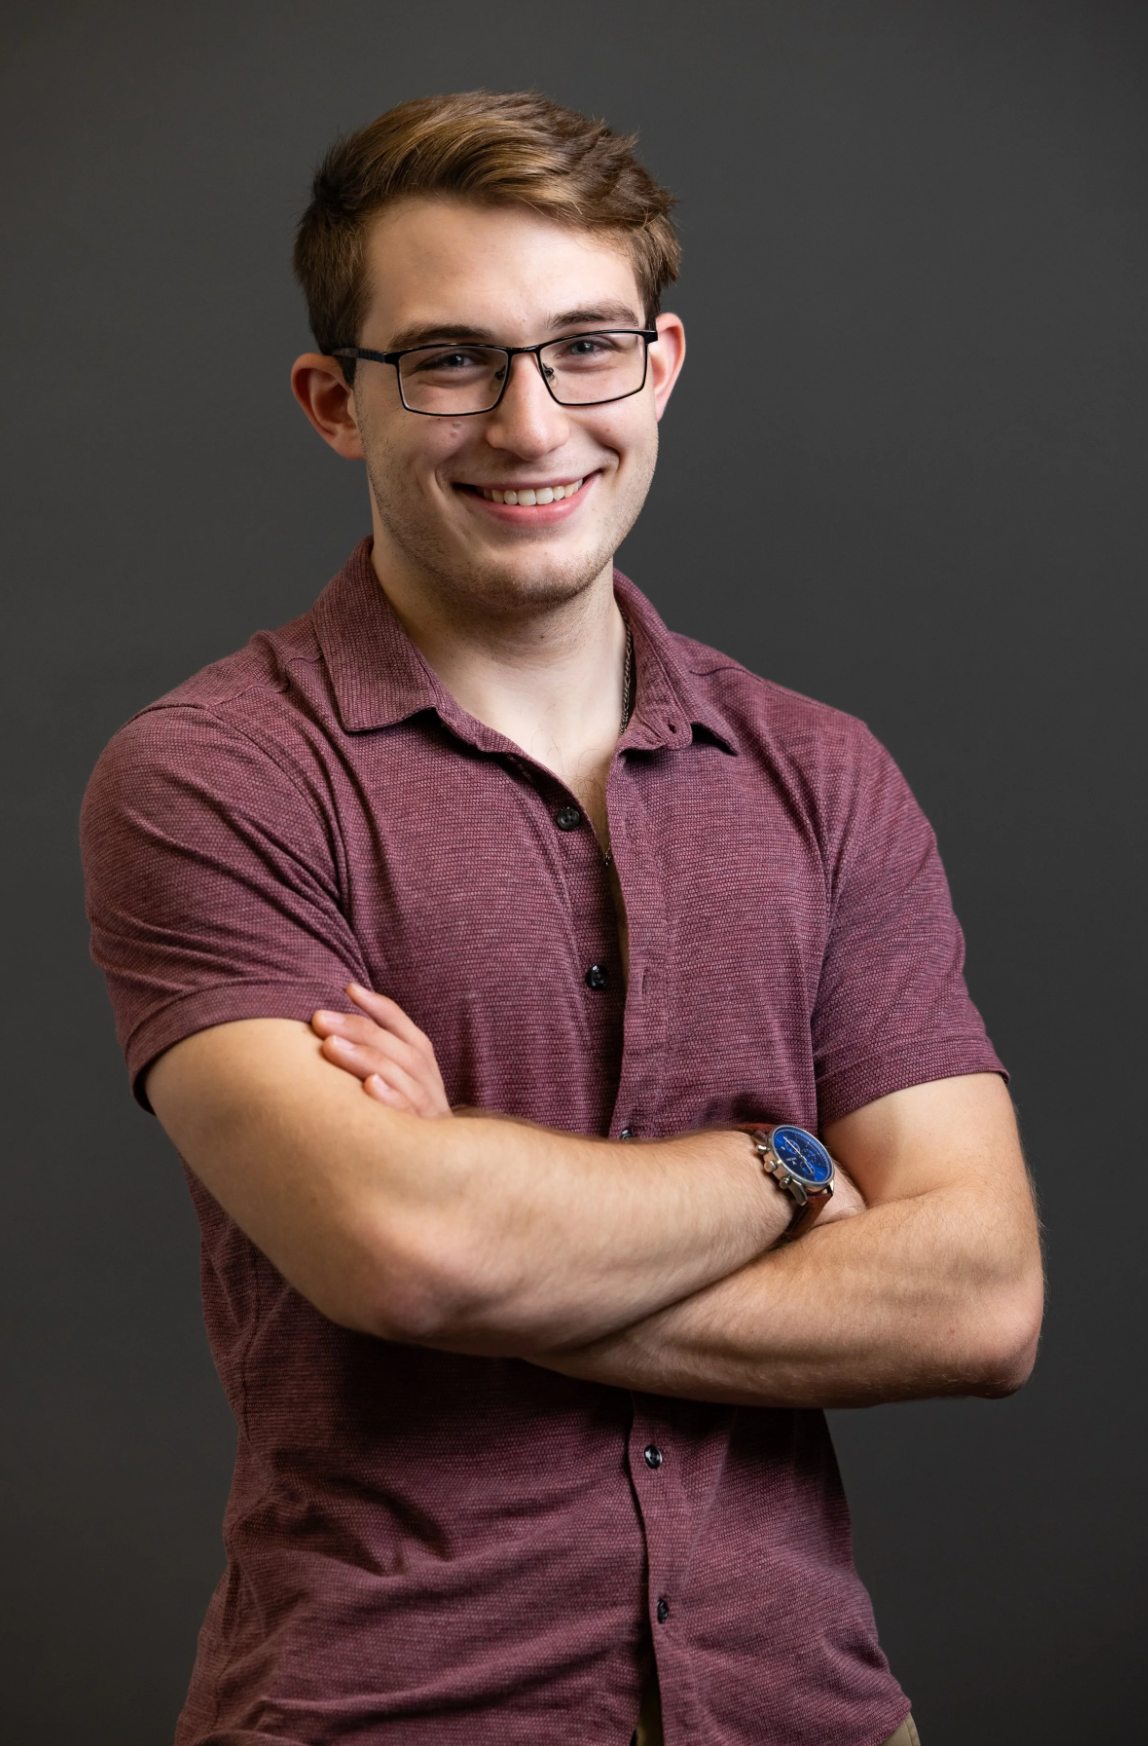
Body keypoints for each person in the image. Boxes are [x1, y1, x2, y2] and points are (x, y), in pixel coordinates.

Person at [81, 90, 1042, 1746]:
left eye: (585, 347)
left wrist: (505, 1231)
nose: (532, 426)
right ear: (334, 400)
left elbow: (980, 1294)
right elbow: (410, 1247)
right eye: (450, 358)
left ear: (659, 367)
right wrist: (789, 1168)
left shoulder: (825, 775)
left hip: (808, 1709)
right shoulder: (212, 778)